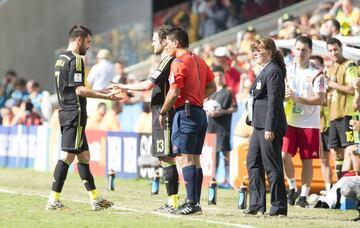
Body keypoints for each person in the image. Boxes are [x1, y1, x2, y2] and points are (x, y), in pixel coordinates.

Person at [46, 24, 118, 211]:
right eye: (87, 42)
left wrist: (99, 90)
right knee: (68, 156)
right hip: (74, 113)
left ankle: (96, 199)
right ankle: (53, 200)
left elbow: (73, 88)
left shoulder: (60, 59)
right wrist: (105, 96)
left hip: (67, 112)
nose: (89, 46)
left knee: (84, 156)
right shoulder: (76, 60)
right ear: (79, 40)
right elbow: (79, 90)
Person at [109, 25, 181, 213]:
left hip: (164, 113)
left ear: (165, 41)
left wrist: (124, 86)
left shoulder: (168, 60)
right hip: (158, 112)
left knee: (167, 157)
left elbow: (148, 85)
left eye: (154, 39)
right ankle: (172, 201)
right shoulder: (164, 61)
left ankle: (173, 202)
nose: (152, 43)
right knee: (164, 157)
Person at [159, 27, 216, 215]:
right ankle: (194, 202)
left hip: (186, 113)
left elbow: (174, 91)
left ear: (176, 43)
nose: (165, 46)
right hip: (199, 112)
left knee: (185, 158)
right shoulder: (199, 60)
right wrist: (198, 97)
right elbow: (212, 86)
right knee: (195, 159)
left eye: (166, 42)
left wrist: (163, 111)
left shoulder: (179, 61)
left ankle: (192, 203)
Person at [244, 38, 287, 216]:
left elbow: (274, 102)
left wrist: (270, 127)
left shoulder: (273, 71)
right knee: (252, 162)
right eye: (253, 50)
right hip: (258, 125)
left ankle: (278, 206)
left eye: (258, 50)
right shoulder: (264, 71)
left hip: (269, 126)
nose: (255, 53)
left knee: (272, 165)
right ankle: (256, 204)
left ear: (269, 52)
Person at [282, 36, 326, 208]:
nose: (300, 53)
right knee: (284, 156)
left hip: (310, 123)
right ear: (293, 50)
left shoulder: (317, 72)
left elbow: (320, 99)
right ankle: (292, 187)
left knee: (307, 161)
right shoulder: (287, 69)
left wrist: (297, 98)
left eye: (304, 50)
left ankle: (304, 195)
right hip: (290, 121)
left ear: (310, 51)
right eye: (298, 49)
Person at [326, 37, 359, 179]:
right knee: (336, 152)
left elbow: (354, 90)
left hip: (348, 113)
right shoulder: (330, 68)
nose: (334, 53)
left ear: (341, 49)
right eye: (331, 50)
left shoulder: (350, 65)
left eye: (336, 50)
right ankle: (340, 187)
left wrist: (332, 85)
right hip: (334, 115)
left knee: (351, 150)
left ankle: (352, 184)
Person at [205, 65, 237, 187]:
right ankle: (214, 178)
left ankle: (227, 179)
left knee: (225, 152)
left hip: (223, 127)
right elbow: (206, 106)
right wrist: (208, 111)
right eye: (216, 75)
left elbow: (235, 108)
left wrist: (222, 112)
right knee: (214, 154)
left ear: (224, 76)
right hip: (211, 126)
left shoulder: (228, 91)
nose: (218, 78)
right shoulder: (210, 92)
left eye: (220, 75)